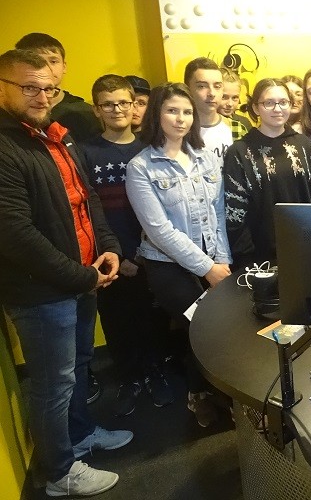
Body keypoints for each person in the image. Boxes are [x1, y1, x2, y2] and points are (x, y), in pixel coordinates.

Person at [0, 49, 131, 496]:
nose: (42, 97)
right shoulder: (6, 146)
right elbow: (15, 233)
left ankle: (79, 436)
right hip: (41, 293)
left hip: (81, 277)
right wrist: (83, 277)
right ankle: (58, 473)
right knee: (53, 384)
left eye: (49, 88)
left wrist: (108, 247)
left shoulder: (57, 135)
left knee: (77, 367)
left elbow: (87, 197)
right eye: (29, 88)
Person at [126, 82, 232, 428]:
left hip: (213, 258)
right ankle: (199, 395)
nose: (181, 118)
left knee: (222, 329)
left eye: (187, 111)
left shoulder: (205, 157)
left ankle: (222, 393)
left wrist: (221, 259)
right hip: (168, 266)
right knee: (200, 329)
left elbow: (218, 212)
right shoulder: (141, 167)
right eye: (172, 110)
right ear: (156, 114)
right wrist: (207, 268)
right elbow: (160, 231)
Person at [81, 74, 173, 417]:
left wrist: (144, 251)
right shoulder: (85, 152)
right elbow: (90, 211)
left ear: (134, 105)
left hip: (152, 253)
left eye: (123, 102)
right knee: (118, 321)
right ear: (96, 110)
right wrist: (120, 254)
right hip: (110, 257)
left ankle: (155, 372)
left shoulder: (151, 148)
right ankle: (129, 379)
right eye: (108, 104)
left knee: (153, 318)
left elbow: (164, 207)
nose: (117, 109)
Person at [224, 78, 311, 268]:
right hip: (259, 257)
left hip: (308, 249)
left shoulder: (304, 145)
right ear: (256, 108)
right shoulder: (239, 152)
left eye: (283, 102)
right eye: (269, 103)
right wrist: (245, 258)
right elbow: (235, 213)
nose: (277, 109)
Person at [15, 32, 102, 143]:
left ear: (64, 66)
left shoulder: (85, 113)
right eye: (37, 61)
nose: (48, 68)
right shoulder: (13, 112)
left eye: (53, 61)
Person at [184, 57, 232, 162]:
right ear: (187, 89)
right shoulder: (178, 130)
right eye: (202, 86)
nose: (211, 93)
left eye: (217, 86)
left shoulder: (235, 128)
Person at [219, 67, 252, 141]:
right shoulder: (203, 122)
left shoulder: (244, 123)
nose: (230, 104)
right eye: (224, 97)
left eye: (234, 98)